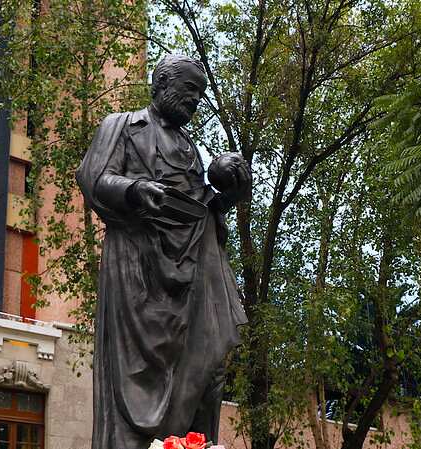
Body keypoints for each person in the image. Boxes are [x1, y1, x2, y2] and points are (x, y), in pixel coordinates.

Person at [76, 54, 250, 449]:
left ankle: (190, 442)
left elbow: (201, 207)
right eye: (191, 90)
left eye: (201, 94)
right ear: (162, 84)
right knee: (133, 373)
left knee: (207, 367)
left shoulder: (189, 148)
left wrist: (231, 194)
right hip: (138, 271)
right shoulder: (120, 125)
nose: (196, 101)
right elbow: (93, 178)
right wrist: (136, 190)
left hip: (190, 275)